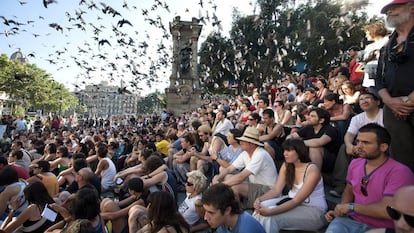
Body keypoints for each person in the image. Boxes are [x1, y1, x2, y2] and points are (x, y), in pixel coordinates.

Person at [324, 123, 414, 233]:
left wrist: (351, 207)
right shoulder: (355, 163)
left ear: (383, 147)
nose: (359, 146)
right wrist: (340, 209)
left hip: (383, 228)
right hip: (351, 221)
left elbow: (388, 210)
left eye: (366, 143)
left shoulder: (400, 172)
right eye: (358, 141)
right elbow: (349, 191)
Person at [253, 138, 327, 233]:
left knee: (270, 217)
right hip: (291, 201)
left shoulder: (312, 170)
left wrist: (271, 211)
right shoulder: (287, 165)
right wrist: (259, 199)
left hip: (314, 211)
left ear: (299, 151)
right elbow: (276, 190)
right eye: (284, 150)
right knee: (259, 209)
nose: (285, 154)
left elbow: (297, 200)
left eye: (288, 150)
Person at [375, 0, 414, 172]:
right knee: (401, 158)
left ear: (412, 8)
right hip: (393, 107)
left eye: (394, 8)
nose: (389, 13)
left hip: (406, 103)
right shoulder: (387, 46)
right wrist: (390, 102)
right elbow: (378, 79)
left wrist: (408, 101)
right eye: (387, 11)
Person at [330, 92, 384, 197]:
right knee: (344, 147)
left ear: (377, 102)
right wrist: (349, 145)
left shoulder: (384, 115)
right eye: (361, 99)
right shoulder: (357, 118)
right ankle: (340, 185)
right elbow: (349, 134)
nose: (364, 101)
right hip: (363, 145)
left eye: (367, 98)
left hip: (380, 146)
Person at [212, 127, 278, 209]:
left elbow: (241, 177)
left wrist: (220, 185)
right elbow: (229, 168)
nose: (241, 142)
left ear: (252, 144)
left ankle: (239, 212)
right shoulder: (245, 153)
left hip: (267, 189)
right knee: (227, 176)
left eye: (244, 141)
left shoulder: (260, 154)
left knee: (235, 188)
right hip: (255, 183)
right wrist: (218, 178)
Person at [287, 107, 340, 172]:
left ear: (321, 120)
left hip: (328, 161)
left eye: (312, 116)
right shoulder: (309, 127)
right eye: (309, 115)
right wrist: (289, 140)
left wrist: (298, 143)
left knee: (314, 148)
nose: (309, 117)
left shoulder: (330, 129)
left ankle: (316, 177)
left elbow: (319, 142)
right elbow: (293, 135)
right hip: (309, 157)